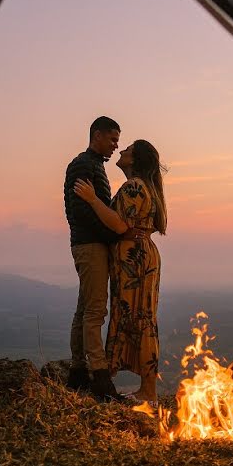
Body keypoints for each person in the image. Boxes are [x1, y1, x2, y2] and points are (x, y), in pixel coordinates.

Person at [74, 139, 167, 404]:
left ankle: (148, 391)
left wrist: (92, 199)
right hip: (138, 256)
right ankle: (145, 389)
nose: (121, 150)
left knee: (140, 319)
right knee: (141, 317)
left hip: (134, 260)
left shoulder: (134, 186)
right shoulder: (141, 186)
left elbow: (117, 224)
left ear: (135, 160)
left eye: (127, 150)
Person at [63, 117, 145, 401]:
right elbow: (82, 212)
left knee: (85, 309)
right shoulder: (84, 165)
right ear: (96, 135)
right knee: (95, 311)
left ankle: (77, 373)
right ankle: (99, 378)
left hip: (88, 244)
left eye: (118, 141)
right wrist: (115, 237)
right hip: (91, 246)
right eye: (112, 140)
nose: (116, 146)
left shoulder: (92, 165)